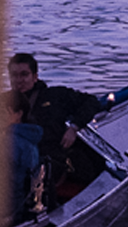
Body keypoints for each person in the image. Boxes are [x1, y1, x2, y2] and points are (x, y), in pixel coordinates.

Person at [6, 52, 102, 212]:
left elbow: (91, 102)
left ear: (35, 77)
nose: (19, 80)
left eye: (24, 75)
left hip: (50, 160)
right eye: (14, 75)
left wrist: (74, 127)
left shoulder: (55, 96)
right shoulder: (3, 102)